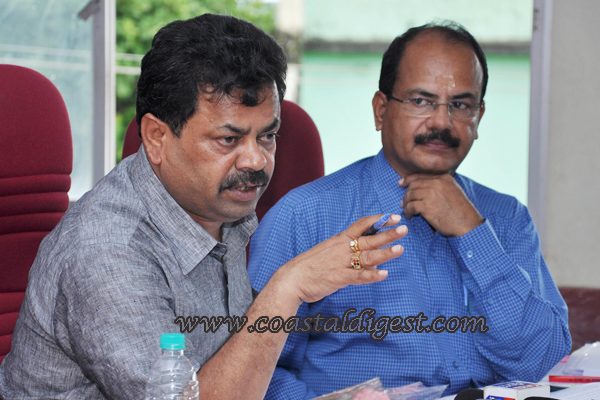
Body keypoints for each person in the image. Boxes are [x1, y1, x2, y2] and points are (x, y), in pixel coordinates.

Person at [0, 14, 408, 400]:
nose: (256, 160)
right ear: (156, 138)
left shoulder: (217, 206)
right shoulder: (106, 253)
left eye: (267, 136)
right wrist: (289, 288)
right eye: (228, 140)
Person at [248, 21, 571, 398]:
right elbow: (255, 370)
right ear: (381, 111)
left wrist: (473, 233)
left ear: (479, 117)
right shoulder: (305, 216)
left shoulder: (506, 218)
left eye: (460, 105)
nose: (442, 122)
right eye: (421, 101)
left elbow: (539, 360)